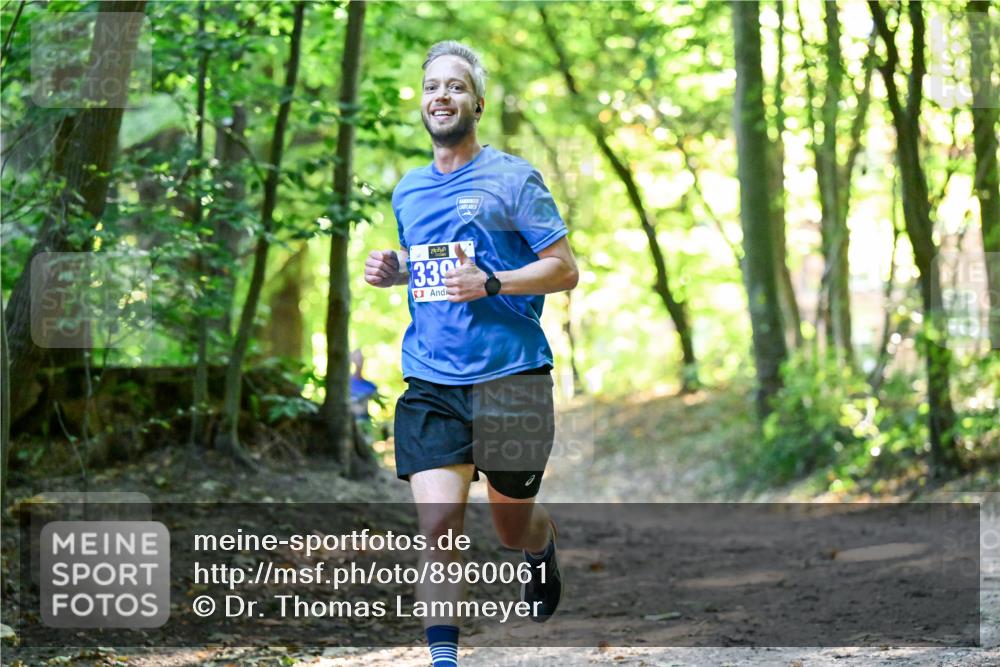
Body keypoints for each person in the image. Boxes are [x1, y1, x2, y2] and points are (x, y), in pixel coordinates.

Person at [364, 40, 578, 667]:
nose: (442, 95)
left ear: (476, 103)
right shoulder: (408, 190)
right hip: (432, 379)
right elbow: (433, 267)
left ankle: (541, 546)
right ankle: (444, 660)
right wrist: (393, 268)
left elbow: (563, 270)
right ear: (423, 103)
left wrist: (494, 281)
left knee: (511, 529)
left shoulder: (514, 179)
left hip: (513, 374)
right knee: (438, 527)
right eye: (432, 86)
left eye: (455, 86)